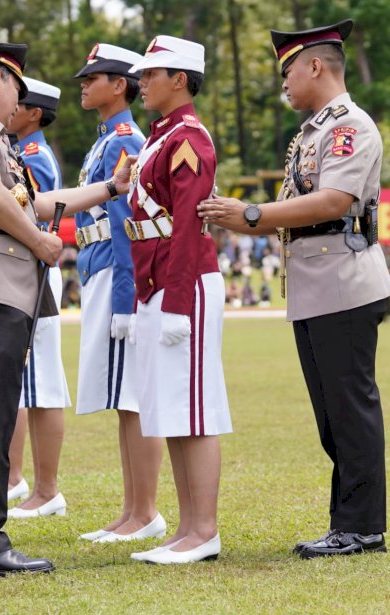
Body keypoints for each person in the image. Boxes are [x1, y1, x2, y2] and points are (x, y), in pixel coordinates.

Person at [0, 40, 135, 576]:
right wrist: (41, 242)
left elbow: (34, 201)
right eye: (15, 88)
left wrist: (109, 187)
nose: (16, 101)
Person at [200, 19, 390, 558]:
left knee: (350, 410)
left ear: (315, 66)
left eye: (288, 70)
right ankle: (348, 523)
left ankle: (361, 529)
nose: (283, 82)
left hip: (344, 281)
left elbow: (333, 201)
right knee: (333, 415)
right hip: (318, 282)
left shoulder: (347, 126)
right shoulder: (313, 131)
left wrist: (254, 214)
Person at [122, 36, 232, 565]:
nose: (141, 82)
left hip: (183, 282)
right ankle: (188, 527)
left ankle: (203, 530)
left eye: (150, 74)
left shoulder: (189, 138)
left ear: (180, 79)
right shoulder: (158, 138)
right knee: (171, 406)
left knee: (194, 407)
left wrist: (178, 303)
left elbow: (188, 224)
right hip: (158, 280)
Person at [72, 43, 165, 544]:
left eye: (96, 76)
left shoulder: (124, 138)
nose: (85, 84)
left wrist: (127, 298)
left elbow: (126, 221)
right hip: (97, 268)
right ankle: (132, 509)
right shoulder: (105, 140)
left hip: (115, 270)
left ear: (121, 84)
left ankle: (144, 510)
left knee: (130, 394)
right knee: (120, 396)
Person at [5, 77, 71, 518]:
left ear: (33, 113)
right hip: (26, 273)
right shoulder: (23, 151)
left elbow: (34, 213)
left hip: (36, 272)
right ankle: (21, 481)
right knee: (28, 386)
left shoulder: (34, 156)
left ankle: (47, 490)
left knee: (42, 383)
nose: (10, 107)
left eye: (19, 102)